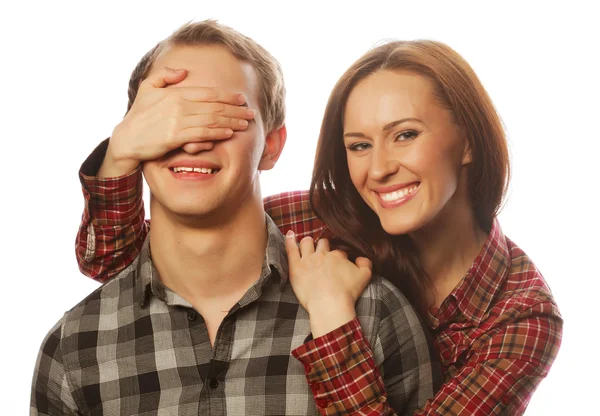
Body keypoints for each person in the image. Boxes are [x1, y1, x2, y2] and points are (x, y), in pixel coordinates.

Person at [71, 34, 562, 415]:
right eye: (359, 145)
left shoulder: (522, 318)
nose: (379, 169)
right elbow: (118, 267)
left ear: (468, 142)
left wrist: (331, 314)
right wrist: (123, 152)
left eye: (405, 135)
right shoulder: (315, 218)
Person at [30, 21, 440, 416]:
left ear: (272, 146)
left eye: (223, 116)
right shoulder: (74, 347)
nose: (193, 138)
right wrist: (117, 157)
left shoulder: (374, 315)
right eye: (170, 117)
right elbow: (106, 254)